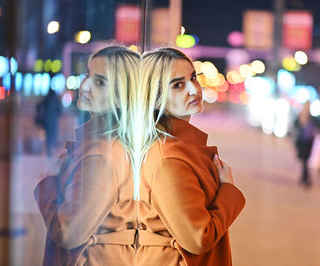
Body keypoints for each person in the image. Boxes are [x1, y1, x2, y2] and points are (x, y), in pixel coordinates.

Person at [134, 47, 245, 266]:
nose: (194, 90)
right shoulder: (168, 159)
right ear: (155, 98)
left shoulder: (179, 149)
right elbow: (198, 238)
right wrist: (228, 189)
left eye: (193, 78)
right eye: (178, 85)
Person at [34, 46, 140, 266]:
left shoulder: (102, 155)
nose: (86, 85)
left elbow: (67, 232)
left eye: (100, 82)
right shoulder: (106, 144)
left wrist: (51, 181)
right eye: (87, 75)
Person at [294, 101, 316, 187]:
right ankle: (305, 177)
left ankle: (305, 177)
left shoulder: (310, 117)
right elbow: (295, 125)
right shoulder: (302, 116)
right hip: (303, 141)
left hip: (307, 142)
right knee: (304, 161)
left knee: (305, 161)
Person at [35, 89, 62, 156]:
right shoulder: (55, 100)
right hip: (53, 121)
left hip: (47, 120)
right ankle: (51, 151)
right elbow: (60, 110)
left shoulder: (47, 98)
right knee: (53, 136)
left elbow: (38, 105)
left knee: (49, 137)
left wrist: (40, 116)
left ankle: (49, 151)